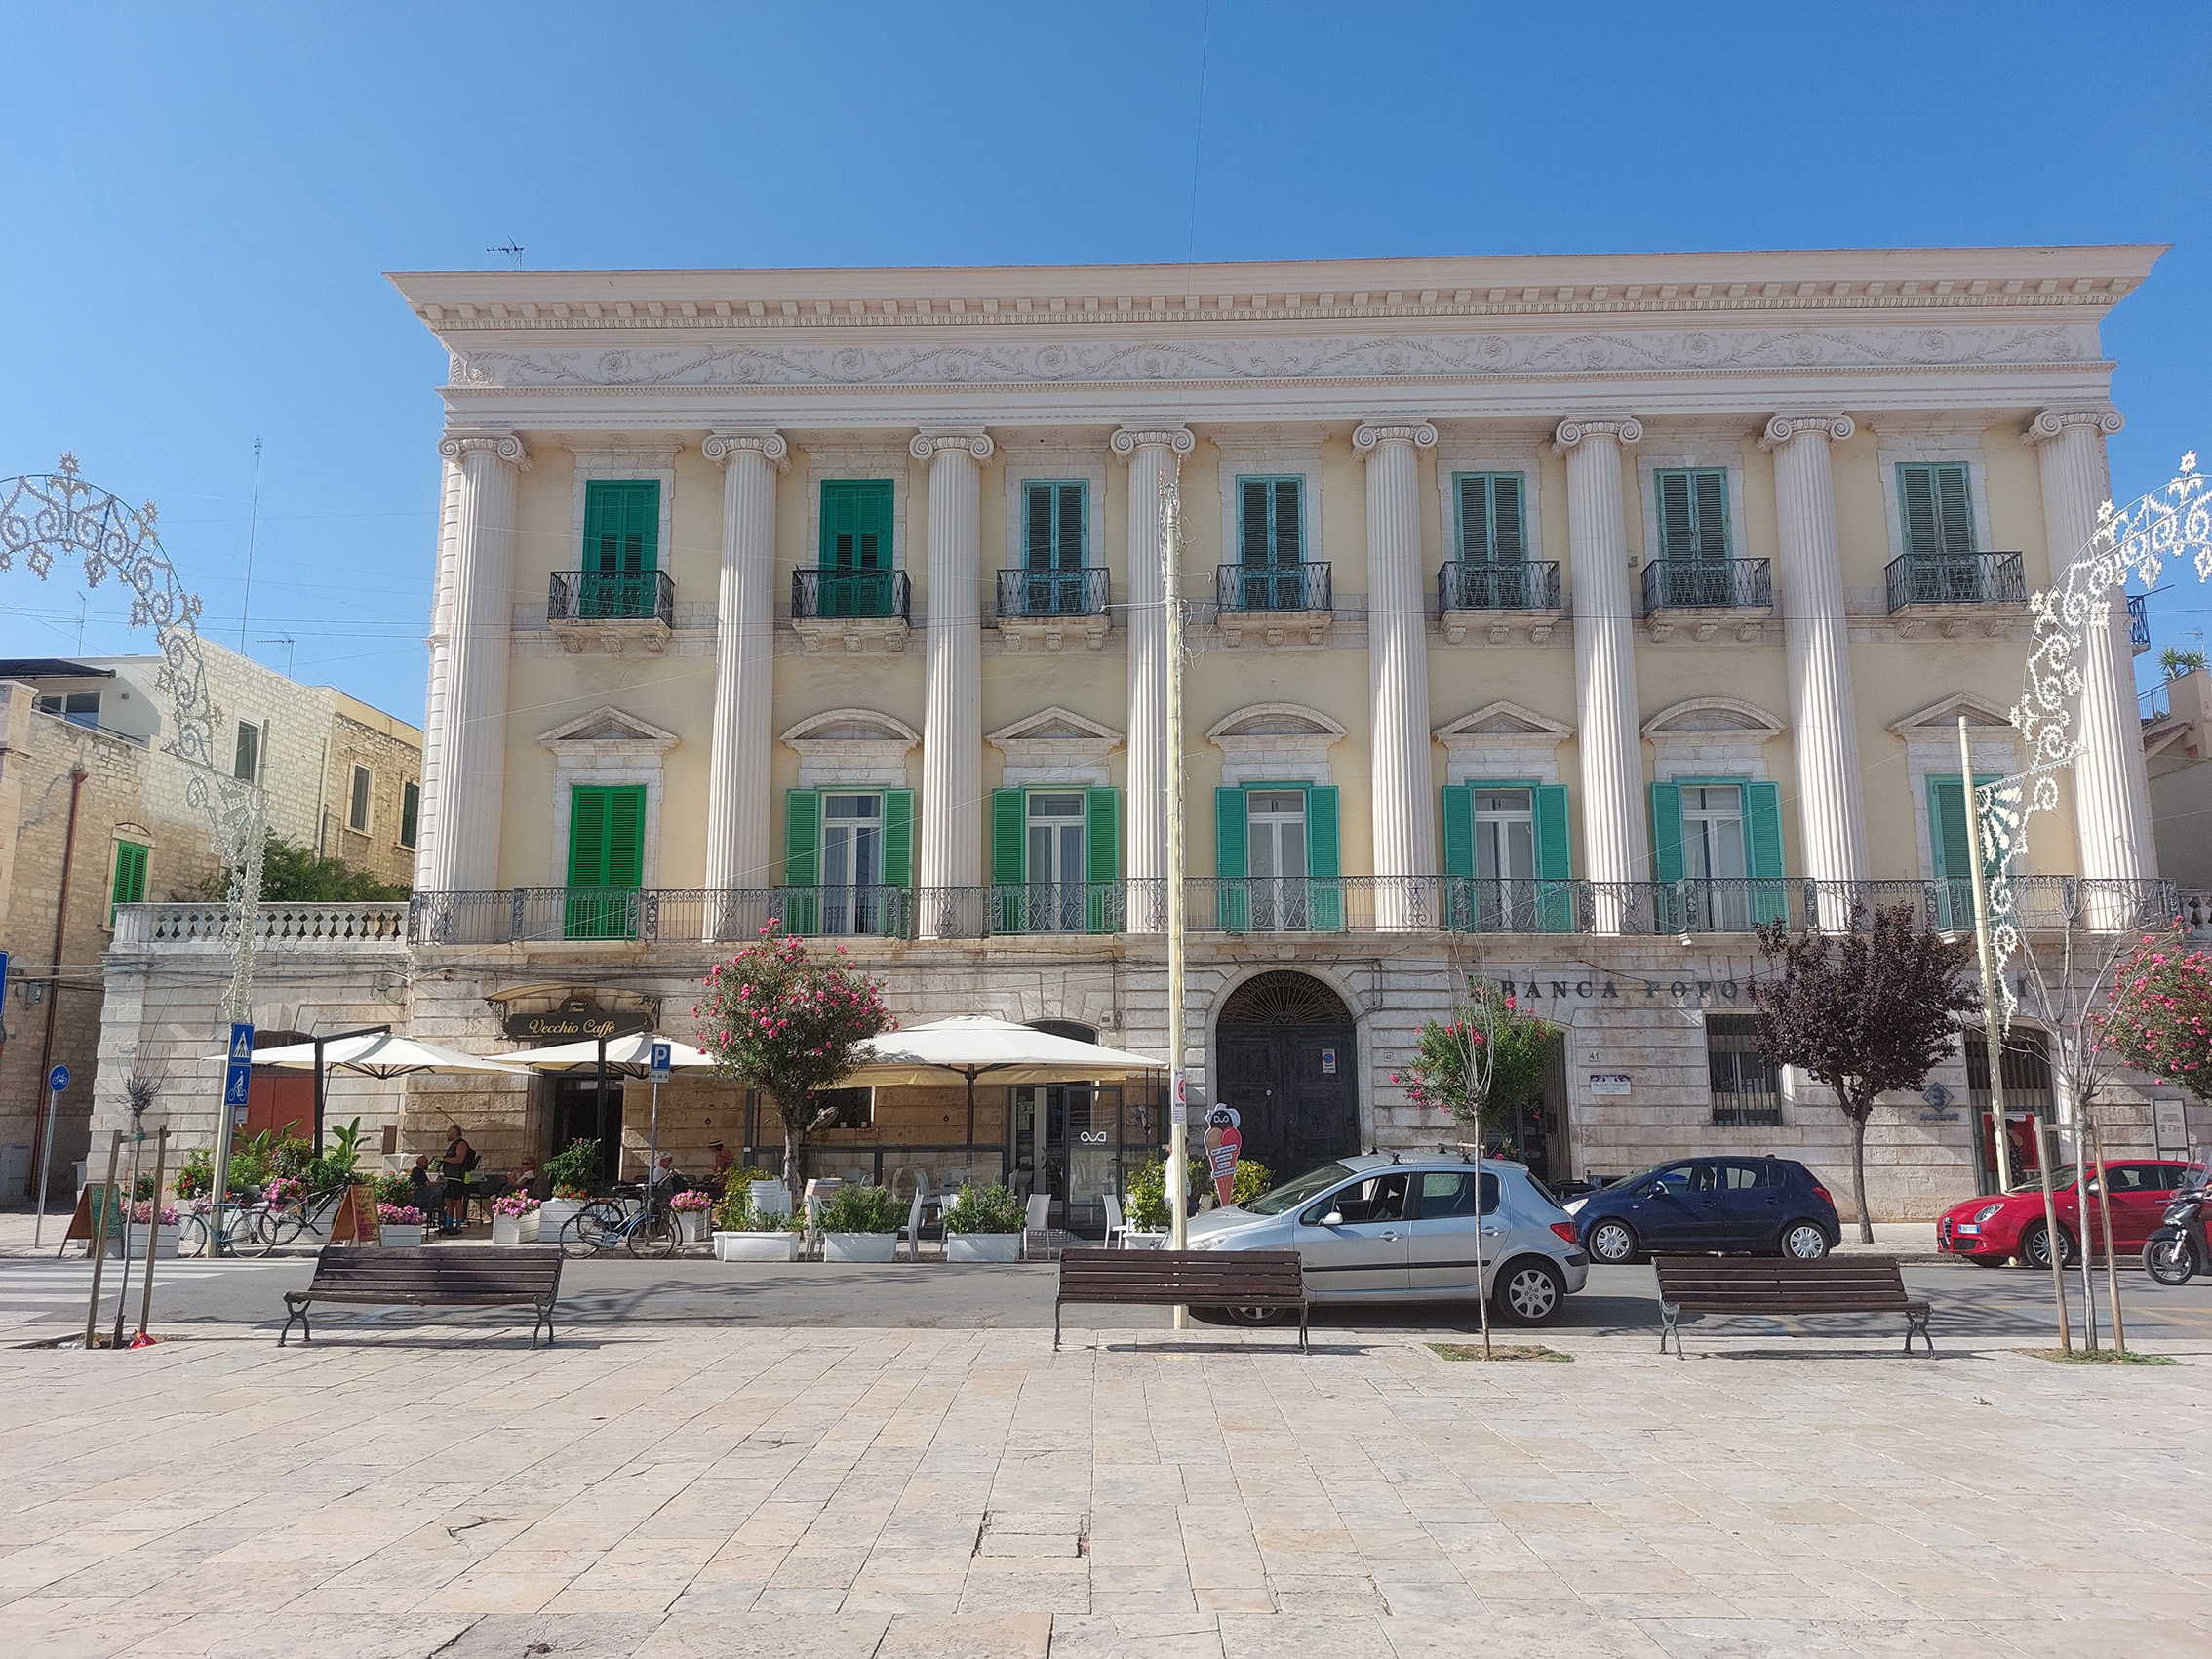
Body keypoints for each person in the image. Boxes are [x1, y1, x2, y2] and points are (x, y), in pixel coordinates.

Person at [440, 1125, 475, 1235]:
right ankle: (448, 1225)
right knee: (448, 1201)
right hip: (449, 1177)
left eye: (449, 1132)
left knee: (457, 1201)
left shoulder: (461, 1144)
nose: (447, 1134)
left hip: (457, 1178)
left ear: (454, 1133)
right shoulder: (452, 1145)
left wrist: (444, 1159)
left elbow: (460, 1159)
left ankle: (458, 1225)